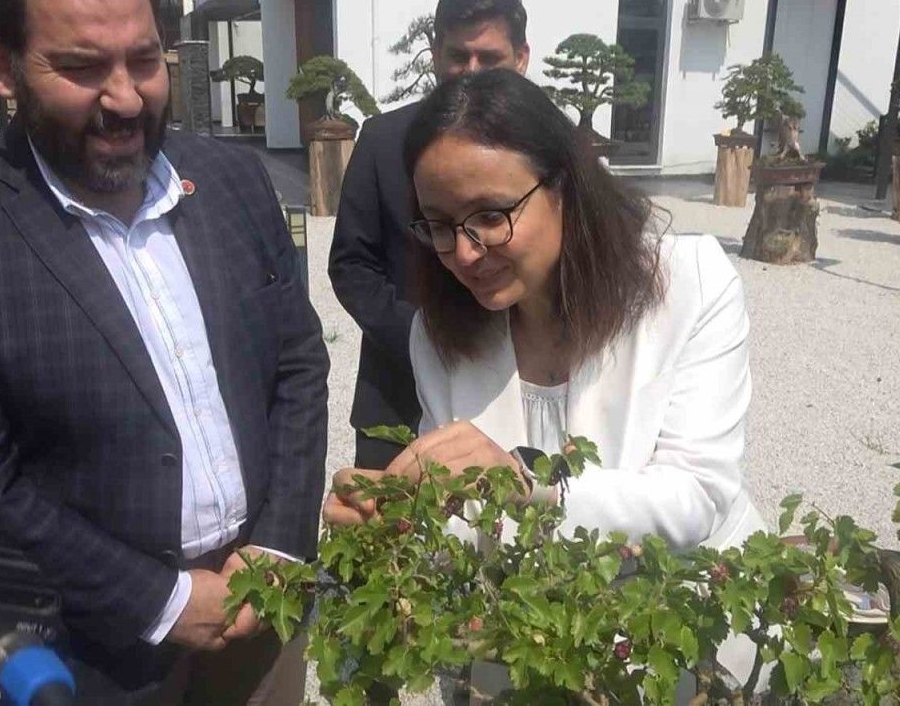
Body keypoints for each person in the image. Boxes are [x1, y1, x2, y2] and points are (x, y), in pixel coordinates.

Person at [0, 0, 329, 702]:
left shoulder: (232, 180)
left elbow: (297, 362)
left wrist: (277, 544)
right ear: (1, 66)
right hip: (92, 649)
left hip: (262, 606)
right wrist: (160, 601)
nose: (125, 98)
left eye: (144, 60)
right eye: (82, 68)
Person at [325, 62, 766, 599]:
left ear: (564, 187)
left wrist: (529, 485)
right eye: (439, 225)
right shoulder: (438, 333)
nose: (463, 253)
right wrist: (399, 514)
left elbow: (696, 496)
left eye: (490, 216)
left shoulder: (689, 284)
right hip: (532, 628)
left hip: (688, 611)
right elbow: (463, 529)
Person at [329, 0, 530, 470]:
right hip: (397, 396)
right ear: (436, 52)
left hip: (516, 396)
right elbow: (351, 265)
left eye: (490, 58)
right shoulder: (383, 141)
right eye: (458, 56)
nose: (471, 71)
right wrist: (423, 340)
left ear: (522, 58)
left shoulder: (543, 148)